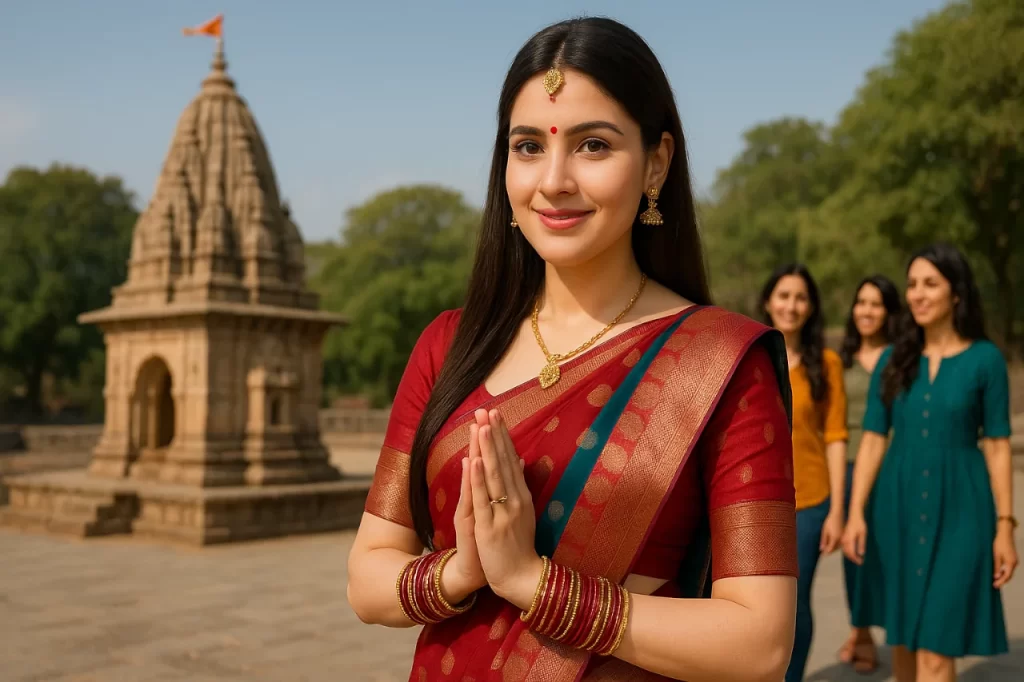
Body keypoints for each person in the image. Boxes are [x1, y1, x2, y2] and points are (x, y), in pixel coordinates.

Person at [346, 17, 799, 682]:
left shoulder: (720, 363)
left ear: (656, 163)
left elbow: (759, 642)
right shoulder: (450, 346)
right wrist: (463, 570)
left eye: (592, 146)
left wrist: (536, 584)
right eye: (528, 147)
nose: (553, 181)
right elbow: (367, 575)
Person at [843, 243, 1018, 682]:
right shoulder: (891, 360)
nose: (917, 295)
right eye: (912, 285)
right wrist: (855, 514)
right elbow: (873, 440)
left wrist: (1005, 527)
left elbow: (997, 445)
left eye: (930, 284)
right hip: (896, 509)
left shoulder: (986, 360)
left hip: (964, 511)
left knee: (937, 652)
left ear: (956, 293)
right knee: (902, 643)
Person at [760, 264, 847, 682]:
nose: (791, 306)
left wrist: (838, 512)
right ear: (767, 301)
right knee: (754, 603)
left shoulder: (826, 364)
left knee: (795, 603)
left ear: (810, 307)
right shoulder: (751, 354)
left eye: (800, 298)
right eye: (783, 295)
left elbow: (835, 437)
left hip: (810, 502)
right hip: (754, 501)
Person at [835, 275, 901, 674]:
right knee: (854, 554)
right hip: (849, 467)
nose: (867, 311)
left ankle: (898, 627)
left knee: (891, 552)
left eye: (876, 304)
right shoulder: (839, 360)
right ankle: (860, 632)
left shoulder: (902, 357)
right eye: (861, 302)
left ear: (890, 312)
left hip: (892, 467)